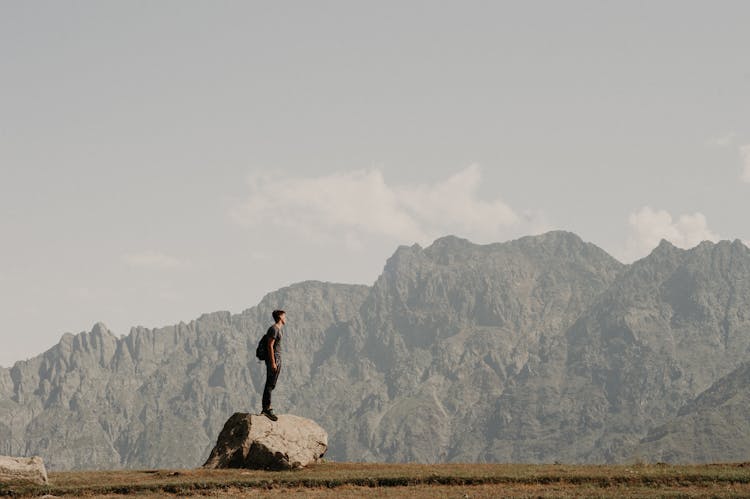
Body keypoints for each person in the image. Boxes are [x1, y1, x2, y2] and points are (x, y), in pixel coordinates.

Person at [261, 309, 286, 421]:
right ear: (280, 317)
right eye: (284, 316)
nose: (286, 318)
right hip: (274, 359)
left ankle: (267, 407)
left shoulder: (277, 329)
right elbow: (270, 346)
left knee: (272, 384)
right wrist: (272, 362)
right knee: (270, 384)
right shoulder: (274, 329)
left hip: (276, 359)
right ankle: (267, 408)